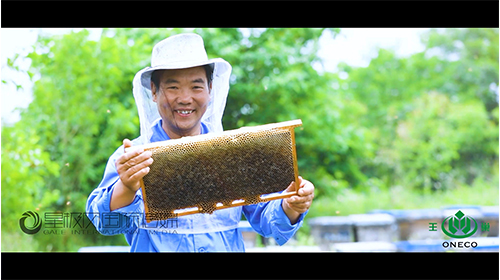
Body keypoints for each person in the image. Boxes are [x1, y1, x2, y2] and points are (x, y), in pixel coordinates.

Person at [86, 33, 315, 252]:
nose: (185, 98)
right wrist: (126, 187)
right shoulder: (132, 158)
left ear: (210, 90)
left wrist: (291, 206)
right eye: (173, 87)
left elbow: (268, 220)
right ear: (154, 91)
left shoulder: (233, 152)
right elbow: (104, 223)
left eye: (196, 86)